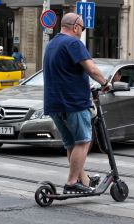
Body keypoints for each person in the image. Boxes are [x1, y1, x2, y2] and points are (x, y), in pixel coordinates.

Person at [43, 13, 110, 194]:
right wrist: (105, 83)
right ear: (75, 27)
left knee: (71, 144)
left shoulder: (52, 44)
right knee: (83, 141)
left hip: (54, 104)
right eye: (82, 28)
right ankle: (72, 183)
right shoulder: (73, 43)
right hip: (73, 102)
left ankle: (84, 180)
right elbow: (92, 69)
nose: (82, 32)